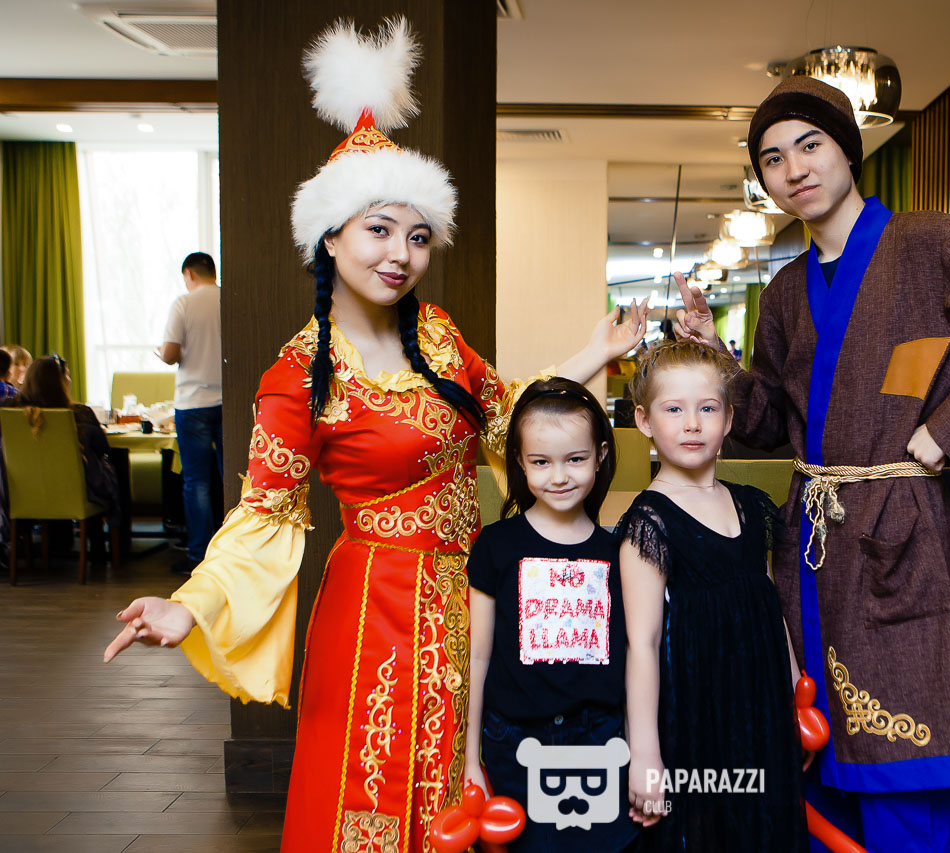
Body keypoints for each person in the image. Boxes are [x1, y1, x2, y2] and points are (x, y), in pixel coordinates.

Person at [101, 18, 647, 852]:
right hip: (375, 609)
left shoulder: (438, 335)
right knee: (375, 793)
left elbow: (510, 418)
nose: (401, 254)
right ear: (330, 236)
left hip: (474, 593)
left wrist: (595, 353)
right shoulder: (298, 374)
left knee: (470, 785)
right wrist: (191, 604)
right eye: (379, 229)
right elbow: (264, 515)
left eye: (418, 235)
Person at [674, 76, 950, 852]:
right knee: (815, 751)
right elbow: (766, 423)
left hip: (895, 530)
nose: (794, 168)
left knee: (904, 754)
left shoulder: (931, 245)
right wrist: (716, 360)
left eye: (809, 145)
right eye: (772, 158)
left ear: (848, 149)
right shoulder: (784, 291)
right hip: (810, 541)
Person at [618, 340, 808, 852]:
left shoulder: (750, 505)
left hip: (760, 703)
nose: (692, 424)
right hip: (696, 712)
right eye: (673, 410)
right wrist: (644, 755)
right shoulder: (649, 521)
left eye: (707, 409)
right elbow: (642, 644)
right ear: (644, 421)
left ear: (728, 420)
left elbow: (768, 599)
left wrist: (794, 689)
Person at [465, 377, 635, 853]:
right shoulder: (496, 546)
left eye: (575, 459)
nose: (558, 476)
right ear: (520, 462)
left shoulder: (620, 551)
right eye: (541, 462)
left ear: (600, 456)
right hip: (514, 743)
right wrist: (469, 759)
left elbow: (634, 655)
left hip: (601, 740)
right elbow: (477, 658)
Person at [158, 251, 223, 575]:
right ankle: (233, 554)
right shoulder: (229, 299)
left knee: (197, 482)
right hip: (227, 400)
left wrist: (162, 353)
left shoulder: (183, 304)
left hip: (193, 402)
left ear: (189, 274)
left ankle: (199, 556)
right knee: (233, 477)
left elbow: (170, 353)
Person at [16, 356, 119, 516]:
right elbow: (102, 448)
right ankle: (105, 529)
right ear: (60, 382)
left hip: (24, 488)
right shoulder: (79, 413)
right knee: (109, 466)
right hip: (72, 489)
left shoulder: (15, 413)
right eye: (67, 375)